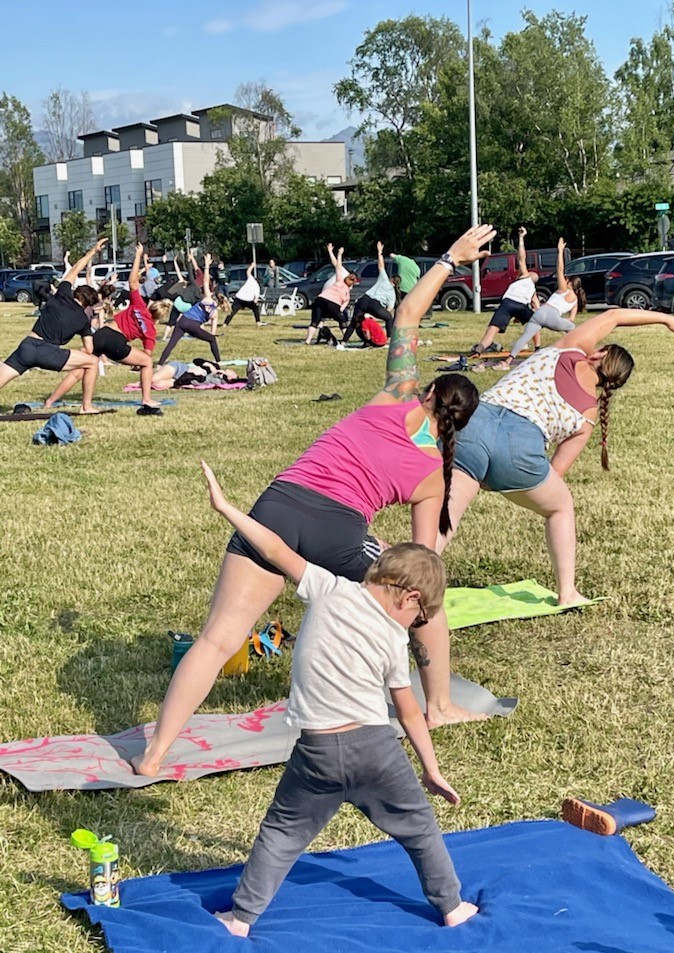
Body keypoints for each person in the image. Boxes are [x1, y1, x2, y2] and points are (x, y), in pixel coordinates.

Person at [131, 223, 497, 779]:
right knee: (430, 603)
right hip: (338, 533)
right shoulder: (435, 475)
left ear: (426, 393)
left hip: (276, 505)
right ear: (462, 428)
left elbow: (406, 318)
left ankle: (154, 753)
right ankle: (439, 706)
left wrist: (451, 257)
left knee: (216, 638)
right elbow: (421, 568)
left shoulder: (398, 392)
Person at [202, 462, 478, 936]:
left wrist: (227, 508)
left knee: (282, 834)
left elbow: (272, 546)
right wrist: (431, 769)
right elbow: (409, 710)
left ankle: (241, 917)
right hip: (376, 750)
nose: (417, 623)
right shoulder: (393, 638)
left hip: (316, 753)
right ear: (408, 597)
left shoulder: (327, 588)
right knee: (419, 830)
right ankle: (451, 906)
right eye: (422, 615)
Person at [436, 308, 674, 605]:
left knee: (447, 514)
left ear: (598, 355)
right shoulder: (588, 414)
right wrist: (504, 473)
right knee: (561, 507)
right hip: (521, 450)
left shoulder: (567, 350)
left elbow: (614, 316)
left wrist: (666, 319)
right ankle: (567, 592)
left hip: (473, 425)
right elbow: (555, 472)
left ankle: (407, 579)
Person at [42, 243, 169, 415]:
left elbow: (132, 282)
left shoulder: (139, 306)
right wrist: (135, 362)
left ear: (151, 306)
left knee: (80, 369)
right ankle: (146, 399)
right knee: (147, 363)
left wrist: (138, 255)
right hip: (115, 342)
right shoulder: (151, 331)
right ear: (160, 319)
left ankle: (50, 401)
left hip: (101, 334)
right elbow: (146, 356)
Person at [0, 239, 107, 412]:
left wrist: (92, 251)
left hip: (26, 346)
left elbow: (75, 269)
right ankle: (86, 406)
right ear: (88, 305)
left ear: (76, 293)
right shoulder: (83, 320)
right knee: (92, 362)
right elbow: (89, 348)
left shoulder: (62, 294)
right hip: (48, 352)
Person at [507, 238, 586, 359]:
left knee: (524, 338)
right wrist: (562, 324)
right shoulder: (575, 300)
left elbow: (560, 269)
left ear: (569, 283)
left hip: (540, 313)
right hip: (553, 317)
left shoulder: (563, 289)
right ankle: (570, 351)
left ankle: (507, 361)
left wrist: (560, 251)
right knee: (573, 329)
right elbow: (571, 320)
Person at [471, 227, 540, 355]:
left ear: (528, 275)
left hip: (507, 303)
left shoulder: (524, 277)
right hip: (521, 305)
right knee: (535, 322)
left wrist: (521, 238)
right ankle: (538, 348)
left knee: (492, 329)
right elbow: (536, 306)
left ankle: (479, 349)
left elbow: (521, 258)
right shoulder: (532, 290)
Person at [158, 254, 223, 364]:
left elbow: (205, 282)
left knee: (171, 343)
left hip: (182, 320)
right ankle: (218, 362)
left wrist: (207, 265)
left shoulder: (207, 298)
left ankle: (159, 364)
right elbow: (212, 334)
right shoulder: (214, 313)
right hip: (193, 325)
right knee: (212, 340)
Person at [339, 241, 396, 346]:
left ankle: (343, 341)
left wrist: (379, 252)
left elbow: (381, 266)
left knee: (354, 322)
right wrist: (374, 315)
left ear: (391, 280)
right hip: (375, 304)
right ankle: (389, 338)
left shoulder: (384, 279)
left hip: (363, 299)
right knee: (389, 318)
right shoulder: (392, 294)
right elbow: (389, 310)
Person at [304, 244, 357, 345]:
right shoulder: (347, 292)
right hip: (333, 304)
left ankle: (308, 340)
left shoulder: (339, 280)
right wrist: (338, 313)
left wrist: (337, 253)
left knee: (315, 321)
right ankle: (345, 339)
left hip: (320, 299)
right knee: (342, 320)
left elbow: (337, 266)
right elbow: (343, 307)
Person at [223, 263, 262, 327]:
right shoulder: (257, 288)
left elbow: (248, 272)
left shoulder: (251, 279)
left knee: (232, 312)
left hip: (238, 298)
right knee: (255, 308)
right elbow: (255, 300)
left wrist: (252, 266)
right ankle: (258, 322)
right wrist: (255, 303)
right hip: (248, 300)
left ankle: (225, 324)